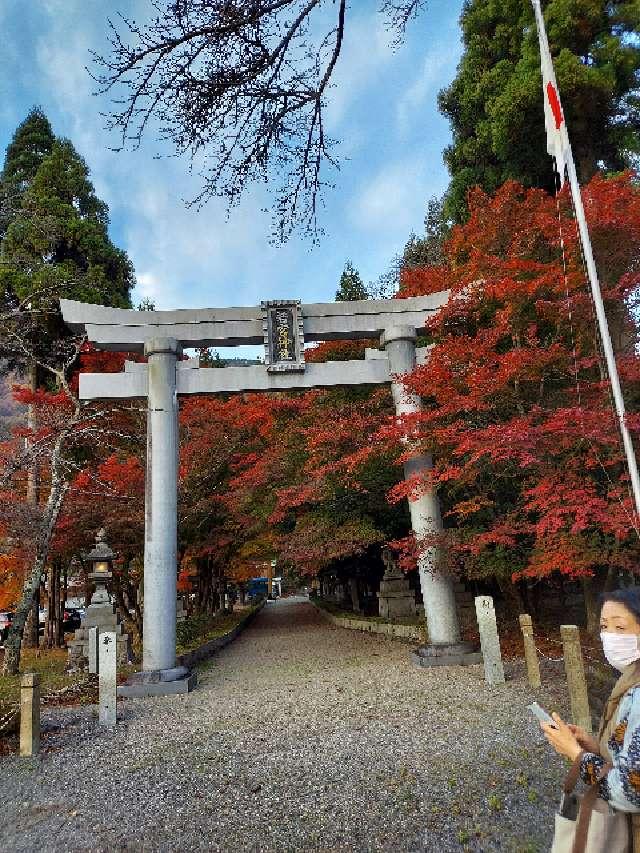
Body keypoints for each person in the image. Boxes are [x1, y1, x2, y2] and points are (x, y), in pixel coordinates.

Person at [541, 587, 640, 828]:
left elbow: (630, 792)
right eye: (604, 626)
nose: (609, 636)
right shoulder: (631, 678)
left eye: (620, 627)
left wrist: (576, 755)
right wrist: (595, 747)